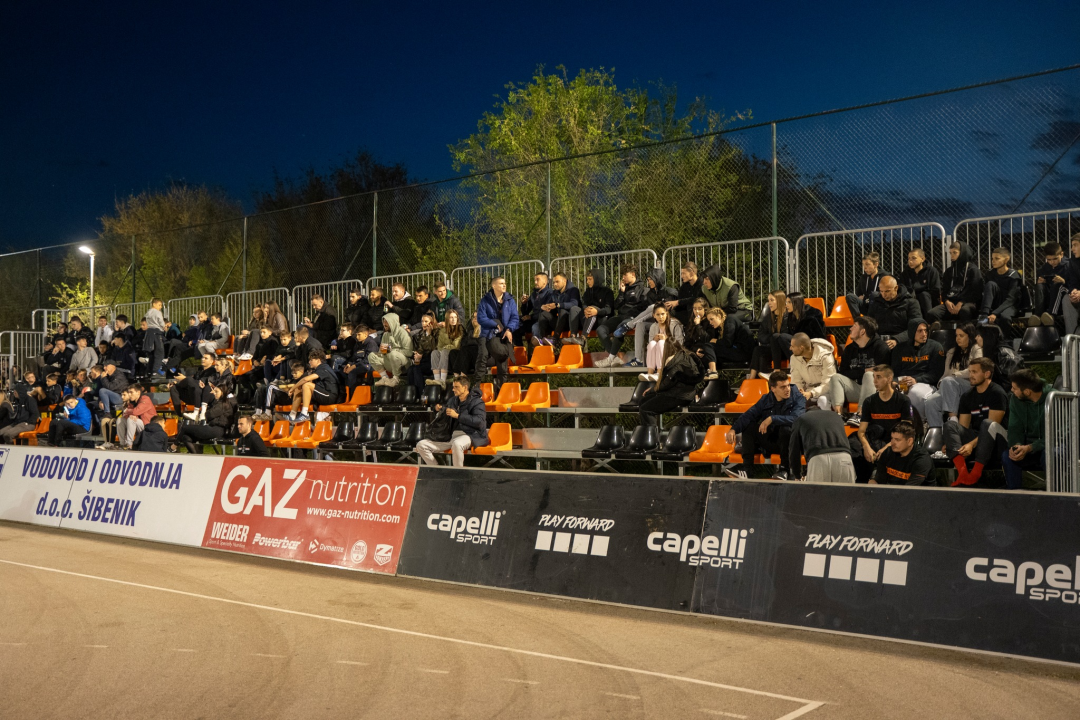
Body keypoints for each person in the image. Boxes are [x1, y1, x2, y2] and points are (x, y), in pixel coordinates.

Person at [725, 369, 804, 480]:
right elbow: (749, 414)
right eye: (782, 387)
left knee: (785, 429)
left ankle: (784, 470)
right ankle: (747, 470)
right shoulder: (766, 399)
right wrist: (733, 429)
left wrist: (772, 418)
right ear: (773, 389)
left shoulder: (798, 397)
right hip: (773, 440)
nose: (787, 390)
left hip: (791, 444)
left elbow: (797, 419)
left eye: (787, 386)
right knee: (750, 427)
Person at [944, 357, 1009, 486]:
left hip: (998, 440)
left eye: (974, 372)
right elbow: (963, 427)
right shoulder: (967, 396)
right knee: (950, 425)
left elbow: (992, 428)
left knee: (987, 423)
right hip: (977, 438)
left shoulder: (997, 393)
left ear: (987, 374)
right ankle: (962, 474)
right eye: (970, 371)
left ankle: (975, 474)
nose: (970, 375)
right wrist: (953, 441)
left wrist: (971, 445)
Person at [850, 365, 912, 483]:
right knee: (853, 444)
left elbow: (906, 431)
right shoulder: (869, 401)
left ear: (889, 379)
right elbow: (861, 432)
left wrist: (885, 448)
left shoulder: (903, 400)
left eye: (878, 377)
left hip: (894, 442)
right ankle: (860, 482)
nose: (874, 381)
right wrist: (866, 447)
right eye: (874, 377)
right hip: (874, 441)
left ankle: (875, 478)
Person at [414, 375, 489, 467]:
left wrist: (457, 416)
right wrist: (438, 409)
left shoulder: (477, 402)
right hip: (451, 436)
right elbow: (446, 409)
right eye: (453, 387)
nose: (453, 389)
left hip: (471, 434)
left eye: (456, 387)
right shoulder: (453, 400)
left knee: (457, 444)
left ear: (465, 387)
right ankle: (437, 470)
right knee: (421, 445)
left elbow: (479, 421)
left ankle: (457, 474)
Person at [827, 316, 891, 421]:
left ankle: (861, 414)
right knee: (836, 377)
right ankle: (838, 416)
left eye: (854, 326)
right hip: (857, 389)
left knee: (870, 375)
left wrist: (866, 373)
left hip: (877, 391)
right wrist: (864, 371)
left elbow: (883, 373)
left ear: (862, 332)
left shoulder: (881, 347)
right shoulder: (849, 349)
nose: (850, 329)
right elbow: (843, 372)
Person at [922, 323, 983, 430]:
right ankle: (937, 434)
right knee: (931, 402)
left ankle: (953, 420)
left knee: (949, 380)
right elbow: (946, 374)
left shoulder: (976, 349)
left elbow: (975, 370)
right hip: (950, 386)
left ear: (970, 336)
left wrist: (955, 375)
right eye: (956, 335)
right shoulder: (951, 352)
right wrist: (942, 384)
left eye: (961, 335)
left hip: (970, 386)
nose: (957, 338)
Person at [1001, 369, 1050, 490]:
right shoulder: (1015, 399)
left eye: (1015, 388)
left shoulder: (1054, 398)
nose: (1012, 390)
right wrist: (1016, 445)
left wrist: (1031, 447)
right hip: (1028, 447)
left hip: (1051, 445)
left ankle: (1055, 495)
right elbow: (1014, 428)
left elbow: (1057, 436)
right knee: (1008, 455)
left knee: (1050, 454)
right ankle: (1014, 496)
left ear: (1027, 391)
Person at [638, 340, 703, 427]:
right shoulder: (686, 355)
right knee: (644, 401)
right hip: (683, 393)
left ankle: (652, 438)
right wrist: (654, 389)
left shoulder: (674, 362)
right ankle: (652, 433)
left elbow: (666, 384)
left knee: (646, 409)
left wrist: (653, 390)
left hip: (678, 396)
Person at [891, 319, 945, 424]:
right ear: (911, 332)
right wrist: (894, 381)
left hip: (925, 383)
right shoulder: (899, 348)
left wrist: (916, 379)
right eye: (920, 331)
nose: (924, 334)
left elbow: (936, 373)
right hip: (903, 381)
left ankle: (919, 425)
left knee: (915, 392)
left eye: (925, 330)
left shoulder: (935, 347)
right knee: (892, 393)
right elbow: (895, 372)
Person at [594, 265, 647, 367]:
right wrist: (621, 293)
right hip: (621, 316)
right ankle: (615, 358)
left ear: (633, 275)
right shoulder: (624, 288)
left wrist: (631, 312)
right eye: (622, 275)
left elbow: (642, 307)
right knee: (601, 329)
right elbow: (616, 306)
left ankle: (610, 359)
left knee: (620, 329)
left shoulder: (642, 289)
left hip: (632, 317)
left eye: (625, 275)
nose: (623, 278)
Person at [788, 409, 856, 483]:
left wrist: (797, 475)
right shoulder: (836, 416)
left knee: (817, 494)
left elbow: (794, 451)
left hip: (818, 459)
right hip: (844, 457)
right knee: (846, 494)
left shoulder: (801, 419)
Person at [475, 276, 519, 388]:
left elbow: (515, 318)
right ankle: (477, 386)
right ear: (493, 285)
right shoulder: (485, 300)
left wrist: (509, 329)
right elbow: (481, 318)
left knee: (502, 356)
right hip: (487, 333)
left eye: (504, 283)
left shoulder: (510, 300)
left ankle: (502, 387)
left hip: (502, 334)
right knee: (483, 355)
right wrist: (495, 324)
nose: (504, 285)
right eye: (501, 283)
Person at [928, 241, 984, 326]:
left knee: (964, 311)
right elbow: (944, 290)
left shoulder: (973, 270)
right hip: (951, 303)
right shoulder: (949, 271)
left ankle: (968, 334)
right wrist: (946, 301)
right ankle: (940, 334)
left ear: (962, 253)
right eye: (950, 253)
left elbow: (976, 292)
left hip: (968, 302)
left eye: (955, 253)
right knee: (932, 313)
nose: (952, 255)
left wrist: (961, 302)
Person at [176, 385, 236, 454]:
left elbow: (209, 415)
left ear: (223, 393)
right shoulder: (218, 403)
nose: (214, 393)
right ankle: (196, 456)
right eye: (214, 391)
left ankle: (173, 446)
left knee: (185, 428)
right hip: (212, 427)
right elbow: (209, 415)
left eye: (216, 392)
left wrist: (210, 418)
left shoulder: (223, 404)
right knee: (186, 438)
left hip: (217, 430)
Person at [870, 420, 933, 486]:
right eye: (892, 438)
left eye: (897, 440)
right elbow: (879, 481)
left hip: (917, 495)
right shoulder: (888, 452)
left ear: (909, 441)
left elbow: (909, 490)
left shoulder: (921, 459)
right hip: (892, 492)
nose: (892, 443)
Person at [866, 276, 922, 349]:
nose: (883, 295)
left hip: (902, 342)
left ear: (896, 288)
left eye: (887, 291)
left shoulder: (911, 302)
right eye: (881, 291)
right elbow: (869, 325)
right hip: (880, 341)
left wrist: (897, 339)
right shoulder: (876, 302)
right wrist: (876, 339)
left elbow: (915, 327)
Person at [978, 247, 1022, 338]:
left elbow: (1011, 299)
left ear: (1006, 259)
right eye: (992, 258)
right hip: (995, 304)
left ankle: (1006, 343)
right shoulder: (990, 273)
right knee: (990, 284)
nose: (993, 261)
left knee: (1005, 317)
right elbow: (987, 294)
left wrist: (995, 313)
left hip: (1010, 305)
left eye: (997, 259)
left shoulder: (1013, 275)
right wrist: (989, 313)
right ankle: (984, 315)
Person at [789, 332, 837, 411]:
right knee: (792, 402)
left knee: (823, 401)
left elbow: (828, 384)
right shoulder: (794, 358)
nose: (790, 348)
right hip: (808, 391)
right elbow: (796, 381)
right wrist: (800, 392)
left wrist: (811, 393)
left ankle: (828, 422)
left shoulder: (825, 356)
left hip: (826, 392)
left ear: (801, 348)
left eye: (792, 346)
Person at [289, 350, 339, 423]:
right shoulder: (318, 369)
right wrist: (296, 388)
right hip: (322, 394)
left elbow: (305, 379)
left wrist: (292, 389)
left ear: (318, 360)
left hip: (329, 396)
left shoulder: (324, 368)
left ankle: (304, 413)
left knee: (306, 385)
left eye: (311, 360)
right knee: (299, 388)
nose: (309, 362)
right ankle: (292, 415)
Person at [1030, 242, 1071, 328]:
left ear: (1061, 254)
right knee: (1039, 286)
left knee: (1058, 285)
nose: (1052, 262)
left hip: (1065, 294)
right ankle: (1038, 315)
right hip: (1050, 298)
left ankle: (1051, 315)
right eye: (1049, 259)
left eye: (1055, 259)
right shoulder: (1044, 269)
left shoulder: (1069, 265)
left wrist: (1063, 281)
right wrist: (1040, 282)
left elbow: (1075, 285)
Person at [749, 290, 788, 378]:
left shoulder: (788, 317)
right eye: (768, 300)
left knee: (775, 338)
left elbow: (785, 336)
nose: (769, 303)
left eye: (772, 300)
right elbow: (761, 337)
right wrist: (772, 338)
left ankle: (776, 372)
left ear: (780, 300)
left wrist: (773, 338)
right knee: (758, 350)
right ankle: (752, 379)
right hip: (772, 348)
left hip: (784, 350)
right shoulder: (768, 318)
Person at [640, 304, 683, 382]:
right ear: (654, 316)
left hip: (673, 353)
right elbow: (650, 345)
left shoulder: (674, 324)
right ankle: (650, 373)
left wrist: (667, 340)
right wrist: (654, 339)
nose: (660, 317)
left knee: (661, 343)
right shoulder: (653, 327)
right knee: (652, 343)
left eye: (662, 314)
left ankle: (660, 373)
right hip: (658, 354)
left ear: (666, 313)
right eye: (658, 315)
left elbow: (680, 344)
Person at [370, 314, 413, 387]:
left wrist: (393, 350)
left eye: (386, 322)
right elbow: (382, 353)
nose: (384, 324)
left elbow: (409, 352)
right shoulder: (385, 334)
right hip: (390, 362)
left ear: (393, 322)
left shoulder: (403, 333)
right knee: (372, 355)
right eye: (383, 322)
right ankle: (384, 378)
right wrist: (382, 352)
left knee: (393, 354)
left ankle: (396, 379)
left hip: (404, 364)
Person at [900, 248, 943, 318]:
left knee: (924, 295)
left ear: (922, 259)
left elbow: (936, 290)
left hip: (928, 300)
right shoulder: (905, 273)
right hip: (911, 298)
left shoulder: (931, 271)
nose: (910, 261)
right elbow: (903, 289)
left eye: (914, 258)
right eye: (909, 258)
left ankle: (930, 322)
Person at [542, 273, 582, 344]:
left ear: (564, 281)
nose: (555, 284)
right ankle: (542, 339)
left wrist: (558, 305)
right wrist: (547, 307)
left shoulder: (574, 290)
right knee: (544, 314)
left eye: (557, 282)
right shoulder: (554, 293)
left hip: (571, 322)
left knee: (563, 311)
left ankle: (555, 339)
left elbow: (574, 304)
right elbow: (553, 306)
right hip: (559, 322)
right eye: (554, 282)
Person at [518, 273, 556, 347]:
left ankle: (539, 344)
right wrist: (524, 303)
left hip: (545, 321)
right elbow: (525, 312)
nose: (535, 282)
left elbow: (546, 311)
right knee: (517, 322)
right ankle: (518, 348)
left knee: (535, 326)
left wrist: (531, 317)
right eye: (534, 280)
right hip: (534, 319)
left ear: (545, 281)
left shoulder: (550, 293)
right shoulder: (534, 294)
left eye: (537, 280)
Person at [579, 268, 615, 342]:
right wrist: (586, 309)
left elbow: (608, 309)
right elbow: (584, 303)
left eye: (590, 279)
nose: (587, 282)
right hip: (588, 320)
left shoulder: (607, 292)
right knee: (580, 310)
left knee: (593, 310)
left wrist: (597, 311)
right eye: (587, 279)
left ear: (596, 279)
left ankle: (583, 338)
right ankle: (579, 338)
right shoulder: (587, 292)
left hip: (603, 320)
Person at [845, 252, 886, 316]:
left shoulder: (884, 276)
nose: (865, 267)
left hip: (879, 306)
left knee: (875, 294)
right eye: (863, 265)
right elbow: (858, 293)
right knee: (850, 297)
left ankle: (871, 320)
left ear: (876, 264)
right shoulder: (864, 277)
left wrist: (870, 297)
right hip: (866, 304)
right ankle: (858, 321)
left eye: (867, 264)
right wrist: (860, 297)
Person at [431, 309, 463, 386]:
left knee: (445, 351)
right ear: (447, 319)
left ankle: (443, 380)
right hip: (444, 354)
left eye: (455, 317)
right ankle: (437, 379)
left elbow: (456, 346)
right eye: (451, 317)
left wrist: (445, 347)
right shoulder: (442, 331)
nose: (453, 319)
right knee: (434, 352)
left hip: (455, 355)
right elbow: (439, 346)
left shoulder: (460, 329)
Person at [344, 324, 380, 393]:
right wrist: (349, 364)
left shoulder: (371, 344)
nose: (357, 337)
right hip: (358, 363)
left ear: (366, 334)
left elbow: (368, 360)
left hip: (369, 365)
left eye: (359, 335)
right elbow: (354, 356)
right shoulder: (358, 343)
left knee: (352, 372)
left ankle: (352, 394)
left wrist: (354, 366)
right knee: (343, 370)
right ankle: (347, 392)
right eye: (356, 335)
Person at [408, 312, 439, 391]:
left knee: (416, 369)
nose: (423, 323)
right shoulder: (419, 334)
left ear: (431, 322)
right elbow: (417, 348)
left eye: (426, 321)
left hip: (432, 361)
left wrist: (428, 335)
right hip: (422, 360)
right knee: (411, 369)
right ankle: (413, 394)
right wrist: (416, 354)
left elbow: (433, 348)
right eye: (422, 321)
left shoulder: (436, 333)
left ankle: (422, 393)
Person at [667, 262, 703, 326]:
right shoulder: (685, 286)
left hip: (696, 312)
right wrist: (671, 306)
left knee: (691, 306)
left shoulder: (701, 284)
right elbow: (680, 302)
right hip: (685, 312)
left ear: (691, 273)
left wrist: (678, 302)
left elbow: (696, 299)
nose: (681, 276)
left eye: (684, 273)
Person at [144, 298, 167, 376]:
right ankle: (156, 370)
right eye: (159, 305)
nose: (160, 307)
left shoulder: (148, 312)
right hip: (157, 332)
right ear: (154, 304)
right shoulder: (157, 312)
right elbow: (160, 321)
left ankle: (149, 370)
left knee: (152, 353)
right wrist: (164, 326)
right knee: (159, 352)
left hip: (149, 332)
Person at [1065, 233, 1080, 335]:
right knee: (1066, 299)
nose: (1072, 249)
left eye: (1075, 245)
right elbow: (1073, 282)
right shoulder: (1073, 262)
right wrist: (1073, 291)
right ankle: (1073, 339)